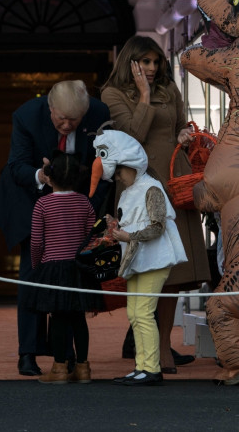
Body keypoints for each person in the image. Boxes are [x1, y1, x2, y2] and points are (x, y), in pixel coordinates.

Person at [101, 35, 209, 373]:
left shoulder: (170, 89)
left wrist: (182, 136)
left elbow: (178, 126)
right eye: (144, 62)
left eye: (155, 62)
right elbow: (130, 136)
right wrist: (144, 96)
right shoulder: (112, 94)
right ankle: (147, 348)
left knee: (173, 272)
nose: (151, 68)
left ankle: (163, 348)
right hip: (141, 188)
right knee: (147, 268)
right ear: (130, 63)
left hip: (174, 182)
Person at [0, 80, 111, 376]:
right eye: (61, 119)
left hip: (77, 205)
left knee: (72, 279)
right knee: (33, 277)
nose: (68, 125)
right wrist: (41, 176)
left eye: (75, 120)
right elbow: (16, 165)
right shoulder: (26, 116)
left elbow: (107, 163)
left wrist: (92, 216)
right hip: (32, 200)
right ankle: (28, 353)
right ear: (50, 108)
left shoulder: (99, 113)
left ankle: (67, 354)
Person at [89, 129, 187, 385]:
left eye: (119, 171)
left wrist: (127, 237)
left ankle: (151, 368)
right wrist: (116, 227)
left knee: (142, 313)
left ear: (130, 166)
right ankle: (142, 366)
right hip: (137, 259)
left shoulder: (151, 188)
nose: (118, 176)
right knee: (135, 314)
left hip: (154, 258)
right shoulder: (128, 191)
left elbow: (157, 226)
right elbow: (135, 224)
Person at [25, 152, 103, 384]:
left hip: (53, 266)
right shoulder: (84, 202)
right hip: (78, 268)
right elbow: (92, 238)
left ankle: (59, 368)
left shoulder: (43, 204)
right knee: (79, 318)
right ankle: (83, 368)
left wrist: (37, 265)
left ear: (49, 178)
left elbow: (37, 242)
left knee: (57, 317)